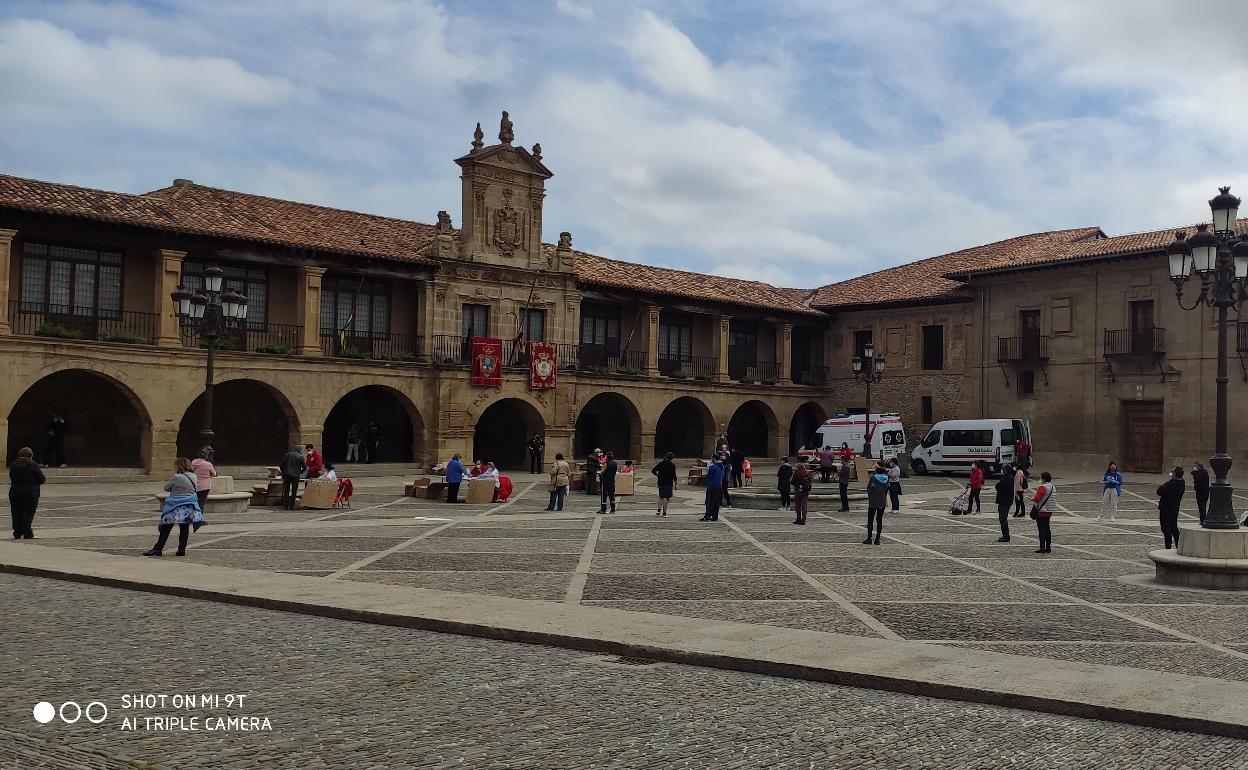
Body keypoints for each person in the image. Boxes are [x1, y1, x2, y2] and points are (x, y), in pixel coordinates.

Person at [144, 458, 205, 557]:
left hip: (175, 506)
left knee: (166, 528)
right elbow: (195, 488)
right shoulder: (194, 476)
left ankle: (158, 549)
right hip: (188, 506)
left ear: (179, 466)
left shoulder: (176, 477)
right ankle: (181, 550)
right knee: (184, 528)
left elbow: (166, 488)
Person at [9, 446, 45, 539]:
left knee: (16, 512)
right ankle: (27, 532)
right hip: (31, 493)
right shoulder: (33, 464)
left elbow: (11, 476)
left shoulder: (13, 464)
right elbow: (41, 479)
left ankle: (17, 532)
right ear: (31, 455)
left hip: (15, 492)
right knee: (28, 513)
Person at [1157, 466, 1185, 550]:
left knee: (1166, 529)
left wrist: (1169, 481)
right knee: (1173, 527)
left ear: (1175, 474)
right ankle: (1179, 545)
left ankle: (1168, 547)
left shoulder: (1170, 484)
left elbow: (1159, 491)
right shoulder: (1182, 483)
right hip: (1175, 509)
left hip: (1166, 509)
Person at [1030, 471, 1056, 554]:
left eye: (1041, 478)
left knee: (1041, 529)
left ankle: (1042, 547)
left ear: (1043, 479)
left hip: (1042, 511)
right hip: (1049, 510)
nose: (1040, 479)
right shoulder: (1053, 487)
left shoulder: (1043, 487)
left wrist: (1032, 498)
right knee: (1047, 529)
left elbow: (1037, 498)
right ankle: (1048, 547)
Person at [864, 464, 889, 545]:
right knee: (879, 519)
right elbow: (886, 489)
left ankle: (869, 538)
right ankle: (877, 539)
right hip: (882, 501)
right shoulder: (886, 478)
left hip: (873, 501)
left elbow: (869, 489)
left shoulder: (874, 478)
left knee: (870, 519)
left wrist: (870, 497)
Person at [279, 444, 306, 510]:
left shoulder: (286, 455)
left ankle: (285, 505)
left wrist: (283, 472)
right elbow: (305, 467)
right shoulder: (300, 457)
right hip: (295, 476)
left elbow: (281, 465)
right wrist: (300, 472)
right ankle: (292, 506)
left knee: (286, 490)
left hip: (287, 475)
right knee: (294, 491)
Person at [701, 453, 725, 522]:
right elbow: (723, 476)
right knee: (716, 502)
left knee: (709, 501)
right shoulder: (722, 466)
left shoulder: (712, 467)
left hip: (712, 485)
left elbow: (709, 477)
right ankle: (715, 516)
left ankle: (708, 515)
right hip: (719, 485)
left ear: (714, 458)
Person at [652, 452, 677, 517]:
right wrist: (676, 483)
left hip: (660, 482)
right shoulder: (672, 465)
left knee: (661, 496)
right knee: (666, 497)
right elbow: (674, 475)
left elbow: (653, 470)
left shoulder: (661, 463)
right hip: (668, 482)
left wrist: (657, 475)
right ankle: (664, 513)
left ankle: (658, 510)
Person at [994, 463, 1014, 542]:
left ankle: (1006, 536)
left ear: (1005, 469)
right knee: (1002, 519)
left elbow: (1000, 486)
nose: (1001, 469)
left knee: (1003, 519)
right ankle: (1005, 535)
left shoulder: (1008, 478)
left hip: (1005, 501)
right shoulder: (1007, 477)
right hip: (1004, 500)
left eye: (1002, 468)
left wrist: (997, 486)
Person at [792, 461, 813, 525]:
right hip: (805, 491)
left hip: (798, 491)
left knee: (798, 505)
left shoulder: (796, 473)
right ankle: (803, 519)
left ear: (798, 467)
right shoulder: (806, 473)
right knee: (804, 505)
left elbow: (792, 482)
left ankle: (798, 519)